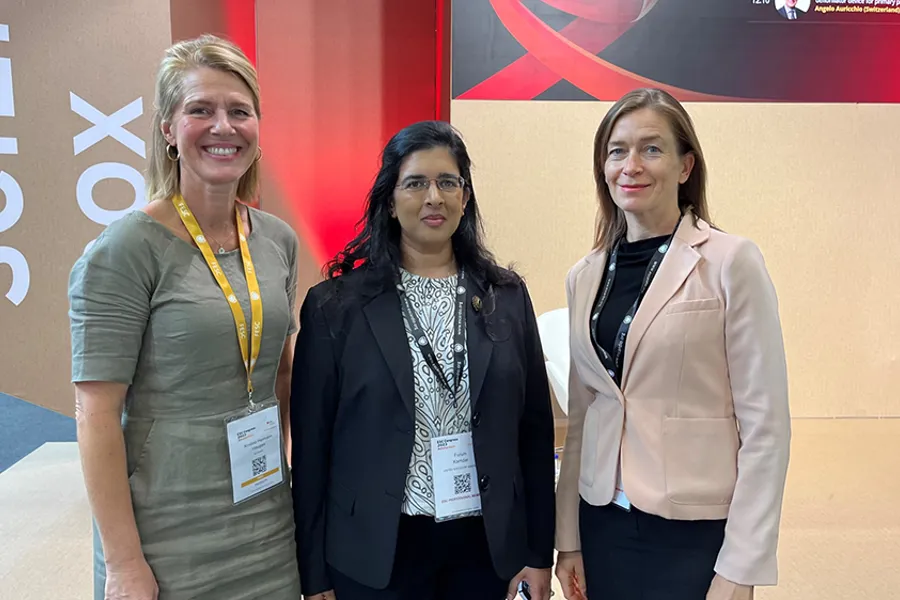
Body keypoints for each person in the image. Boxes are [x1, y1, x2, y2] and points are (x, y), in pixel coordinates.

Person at [68, 35, 301, 599]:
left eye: (239, 111)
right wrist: (124, 563)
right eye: (201, 110)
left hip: (266, 518)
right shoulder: (123, 250)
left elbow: (282, 373)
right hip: (164, 531)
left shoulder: (276, 240)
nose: (223, 126)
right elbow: (95, 411)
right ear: (169, 129)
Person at [290, 120, 556, 600]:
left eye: (447, 182)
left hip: (486, 549)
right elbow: (311, 452)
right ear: (390, 201)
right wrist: (315, 578)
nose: (433, 197)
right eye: (415, 183)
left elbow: (534, 434)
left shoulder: (506, 297)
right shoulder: (335, 307)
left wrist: (539, 554)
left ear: (465, 197)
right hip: (375, 555)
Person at [554, 88, 791, 600]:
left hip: (693, 529)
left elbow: (766, 428)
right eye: (617, 150)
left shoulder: (731, 262)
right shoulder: (585, 275)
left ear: (686, 166)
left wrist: (740, 567)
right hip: (603, 524)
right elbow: (583, 417)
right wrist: (568, 540)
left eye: (651, 149)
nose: (630, 165)